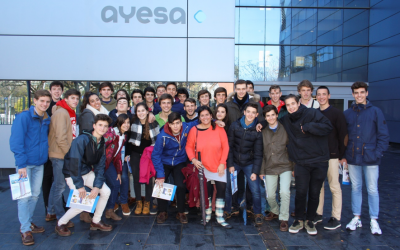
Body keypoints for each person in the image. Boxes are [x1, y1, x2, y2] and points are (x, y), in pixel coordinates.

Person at [258, 94, 332, 235]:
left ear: (298, 103)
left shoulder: (312, 113)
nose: (291, 107)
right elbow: (273, 120)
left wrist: (309, 126)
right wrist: (262, 123)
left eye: (293, 103)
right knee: (301, 192)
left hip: (319, 160)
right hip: (301, 161)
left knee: (315, 192)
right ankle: (298, 220)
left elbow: (328, 127)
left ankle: (309, 220)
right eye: (288, 105)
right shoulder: (286, 120)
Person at [343, 82, 389, 235]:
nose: (359, 95)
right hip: (353, 156)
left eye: (362, 92)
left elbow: (383, 135)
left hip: (371, 157)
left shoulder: (376, 112)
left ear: (367, 93)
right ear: (353, 95)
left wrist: (377, 153)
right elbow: (344, 136)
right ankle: (356, 217)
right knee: (356, 188)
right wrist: (344, 154)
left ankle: (374, 219)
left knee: (372, 189)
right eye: (356, 93)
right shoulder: (348, 113)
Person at [55, 114, 113, 236]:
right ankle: (61, 223)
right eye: (100, 125)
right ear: (94, 126)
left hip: (86, 172)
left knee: (105, 191)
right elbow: (74, 163)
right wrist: (79, 185)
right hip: (73, 174)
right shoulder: (82, 140)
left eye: (105, 126)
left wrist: (97, 186)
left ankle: (96, 221)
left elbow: (100, 167)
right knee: (82, 203)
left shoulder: (101, 142)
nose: (102, 128)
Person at [10, 90, 51, 246]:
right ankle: (25, 229)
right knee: (23, 197)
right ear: (34, 101)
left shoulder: (46, 118)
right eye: (41, 101)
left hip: (39, 162)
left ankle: (28, 222)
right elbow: (16, 142)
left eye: (47, 102)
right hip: (25, 165)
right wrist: (20, 164)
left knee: (34, 195)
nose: (44, 104)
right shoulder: (23, 117)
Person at [186, 107, 231, 228]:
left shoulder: (219, 128)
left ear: (211, 116)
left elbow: (226, 147)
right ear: (199, 117)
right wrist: (193, 159)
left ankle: (220, 216)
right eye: (202, 115)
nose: (205, 117)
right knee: (207, 192)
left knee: (221, 190)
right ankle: (206, 214)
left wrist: (222, 163)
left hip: (219, 165)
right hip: (202, 166)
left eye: (207, 115)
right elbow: (189, 147)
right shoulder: (194, 130)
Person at [152, 112, 199, 224]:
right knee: (160, 183)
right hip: (165, 161)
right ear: (169, 124)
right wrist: (160, 174)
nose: (176, 126)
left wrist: (216, 122)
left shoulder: (187, 127)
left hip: (179, 161)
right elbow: (155, 155)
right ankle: (162, 211)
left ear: (181, 123)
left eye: (178, 123)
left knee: (181, 185)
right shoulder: (162, 136)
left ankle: (181, 212)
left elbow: (200, 120)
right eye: (173, 124)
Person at [314, 86, 347, 230]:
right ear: (316, 97)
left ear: (329, 96)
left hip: (333, 156)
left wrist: (342, 156)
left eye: (324, 94)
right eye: (319, 95)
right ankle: (318, 214)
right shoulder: (314, 113)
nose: (321, 97)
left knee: (334, 186)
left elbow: (343, 135)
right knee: (318, 187)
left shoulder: (336, 113)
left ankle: (336, 217)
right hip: (318, 156)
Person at [46, 89, 80, 225]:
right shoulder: (61, 113)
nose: (75, 101)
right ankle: (61, 216)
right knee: (60, 186)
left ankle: (51, 211)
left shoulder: (70, 112)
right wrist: (70, 155)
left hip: (63, 154)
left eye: (77, 98)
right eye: (72, 98)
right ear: (65, 99)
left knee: (56, 185)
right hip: (60, 154)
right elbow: (60, 138)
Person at [227, 103, 264, 226]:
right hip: (235, 163)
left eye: (253, 112)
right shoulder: (234, 126)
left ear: (257, 114)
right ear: (244, 112)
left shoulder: (258, 130)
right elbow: (230, 147)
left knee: (256, 189)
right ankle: (231, 208)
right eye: (248, 112)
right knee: (231, 187)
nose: (250, 114)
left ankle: (258, 213)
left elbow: (259, 153)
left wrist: (255, 171)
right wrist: (230, 164)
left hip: (249, 163)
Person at [259, 105, 293, 232]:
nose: (271, 117)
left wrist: (294, 167)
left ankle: (284, 218)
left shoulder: (285, 129)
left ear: (277, 115)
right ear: (265, 117)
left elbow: (291, 148)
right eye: (268, 115)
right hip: (269, 166)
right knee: (270, 196)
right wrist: (261, 171)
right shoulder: (263, 131)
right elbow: (261, 153)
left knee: (284, 192)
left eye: (273, 115)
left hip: (285, 165)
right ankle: (275, 210)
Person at [127, 103, 160, 215]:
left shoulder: (153, 123)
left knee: (148, 178)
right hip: (135, 154)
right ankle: (138, 201)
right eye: (138, 111)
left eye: (143, 110)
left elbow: (157, 141)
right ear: (136, 113)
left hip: (148, 155)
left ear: (147, 111)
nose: (141, 113)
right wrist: (128, 154)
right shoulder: (133, 123)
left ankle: (147, 202)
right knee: (136, 177)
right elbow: (128, 141)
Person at [42, 81, 64, 216]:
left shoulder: (64, 106)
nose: (56, 91)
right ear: (50, 91)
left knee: (59, 180)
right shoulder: (45, 106)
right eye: (54, 89)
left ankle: (58, 206)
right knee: (48, 178)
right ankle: (48, 209)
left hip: (59, 149)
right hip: (47, 147)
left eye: (59, 89)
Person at [103, 114, 130, 220]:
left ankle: (109, 210)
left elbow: (118, 155)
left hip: (109, 164)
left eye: (128, 122)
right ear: (118, 123)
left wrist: (119, 171)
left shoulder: (123, 136)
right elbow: (101, 149)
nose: (126, 125)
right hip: (101, 164)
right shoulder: (110, 133)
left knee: (115, 183)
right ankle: (85, 213)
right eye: (124, 122)